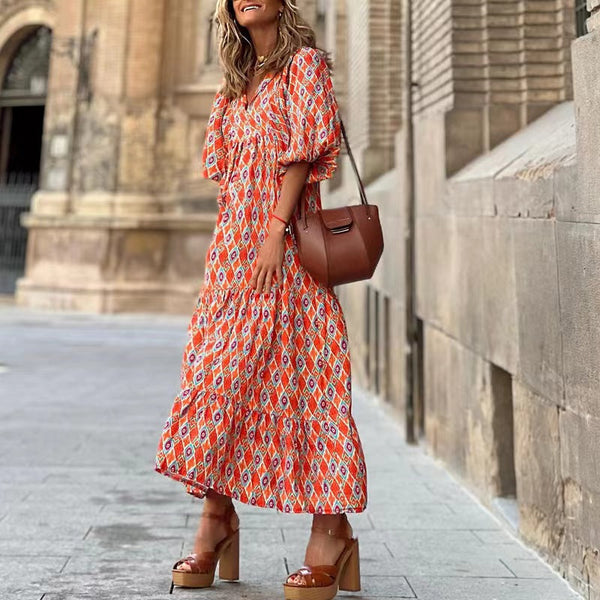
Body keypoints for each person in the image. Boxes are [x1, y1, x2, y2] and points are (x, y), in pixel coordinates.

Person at [154, 1, 367, 598]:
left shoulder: (305, 67)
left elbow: (301, 154)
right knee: (218, 380)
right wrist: (242, 241)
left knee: (305, 383)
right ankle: (216, 516)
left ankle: (332, 530)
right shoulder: (233, 86)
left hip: (287, 250)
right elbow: (228, 174)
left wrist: (273, 230)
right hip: (232, 257)